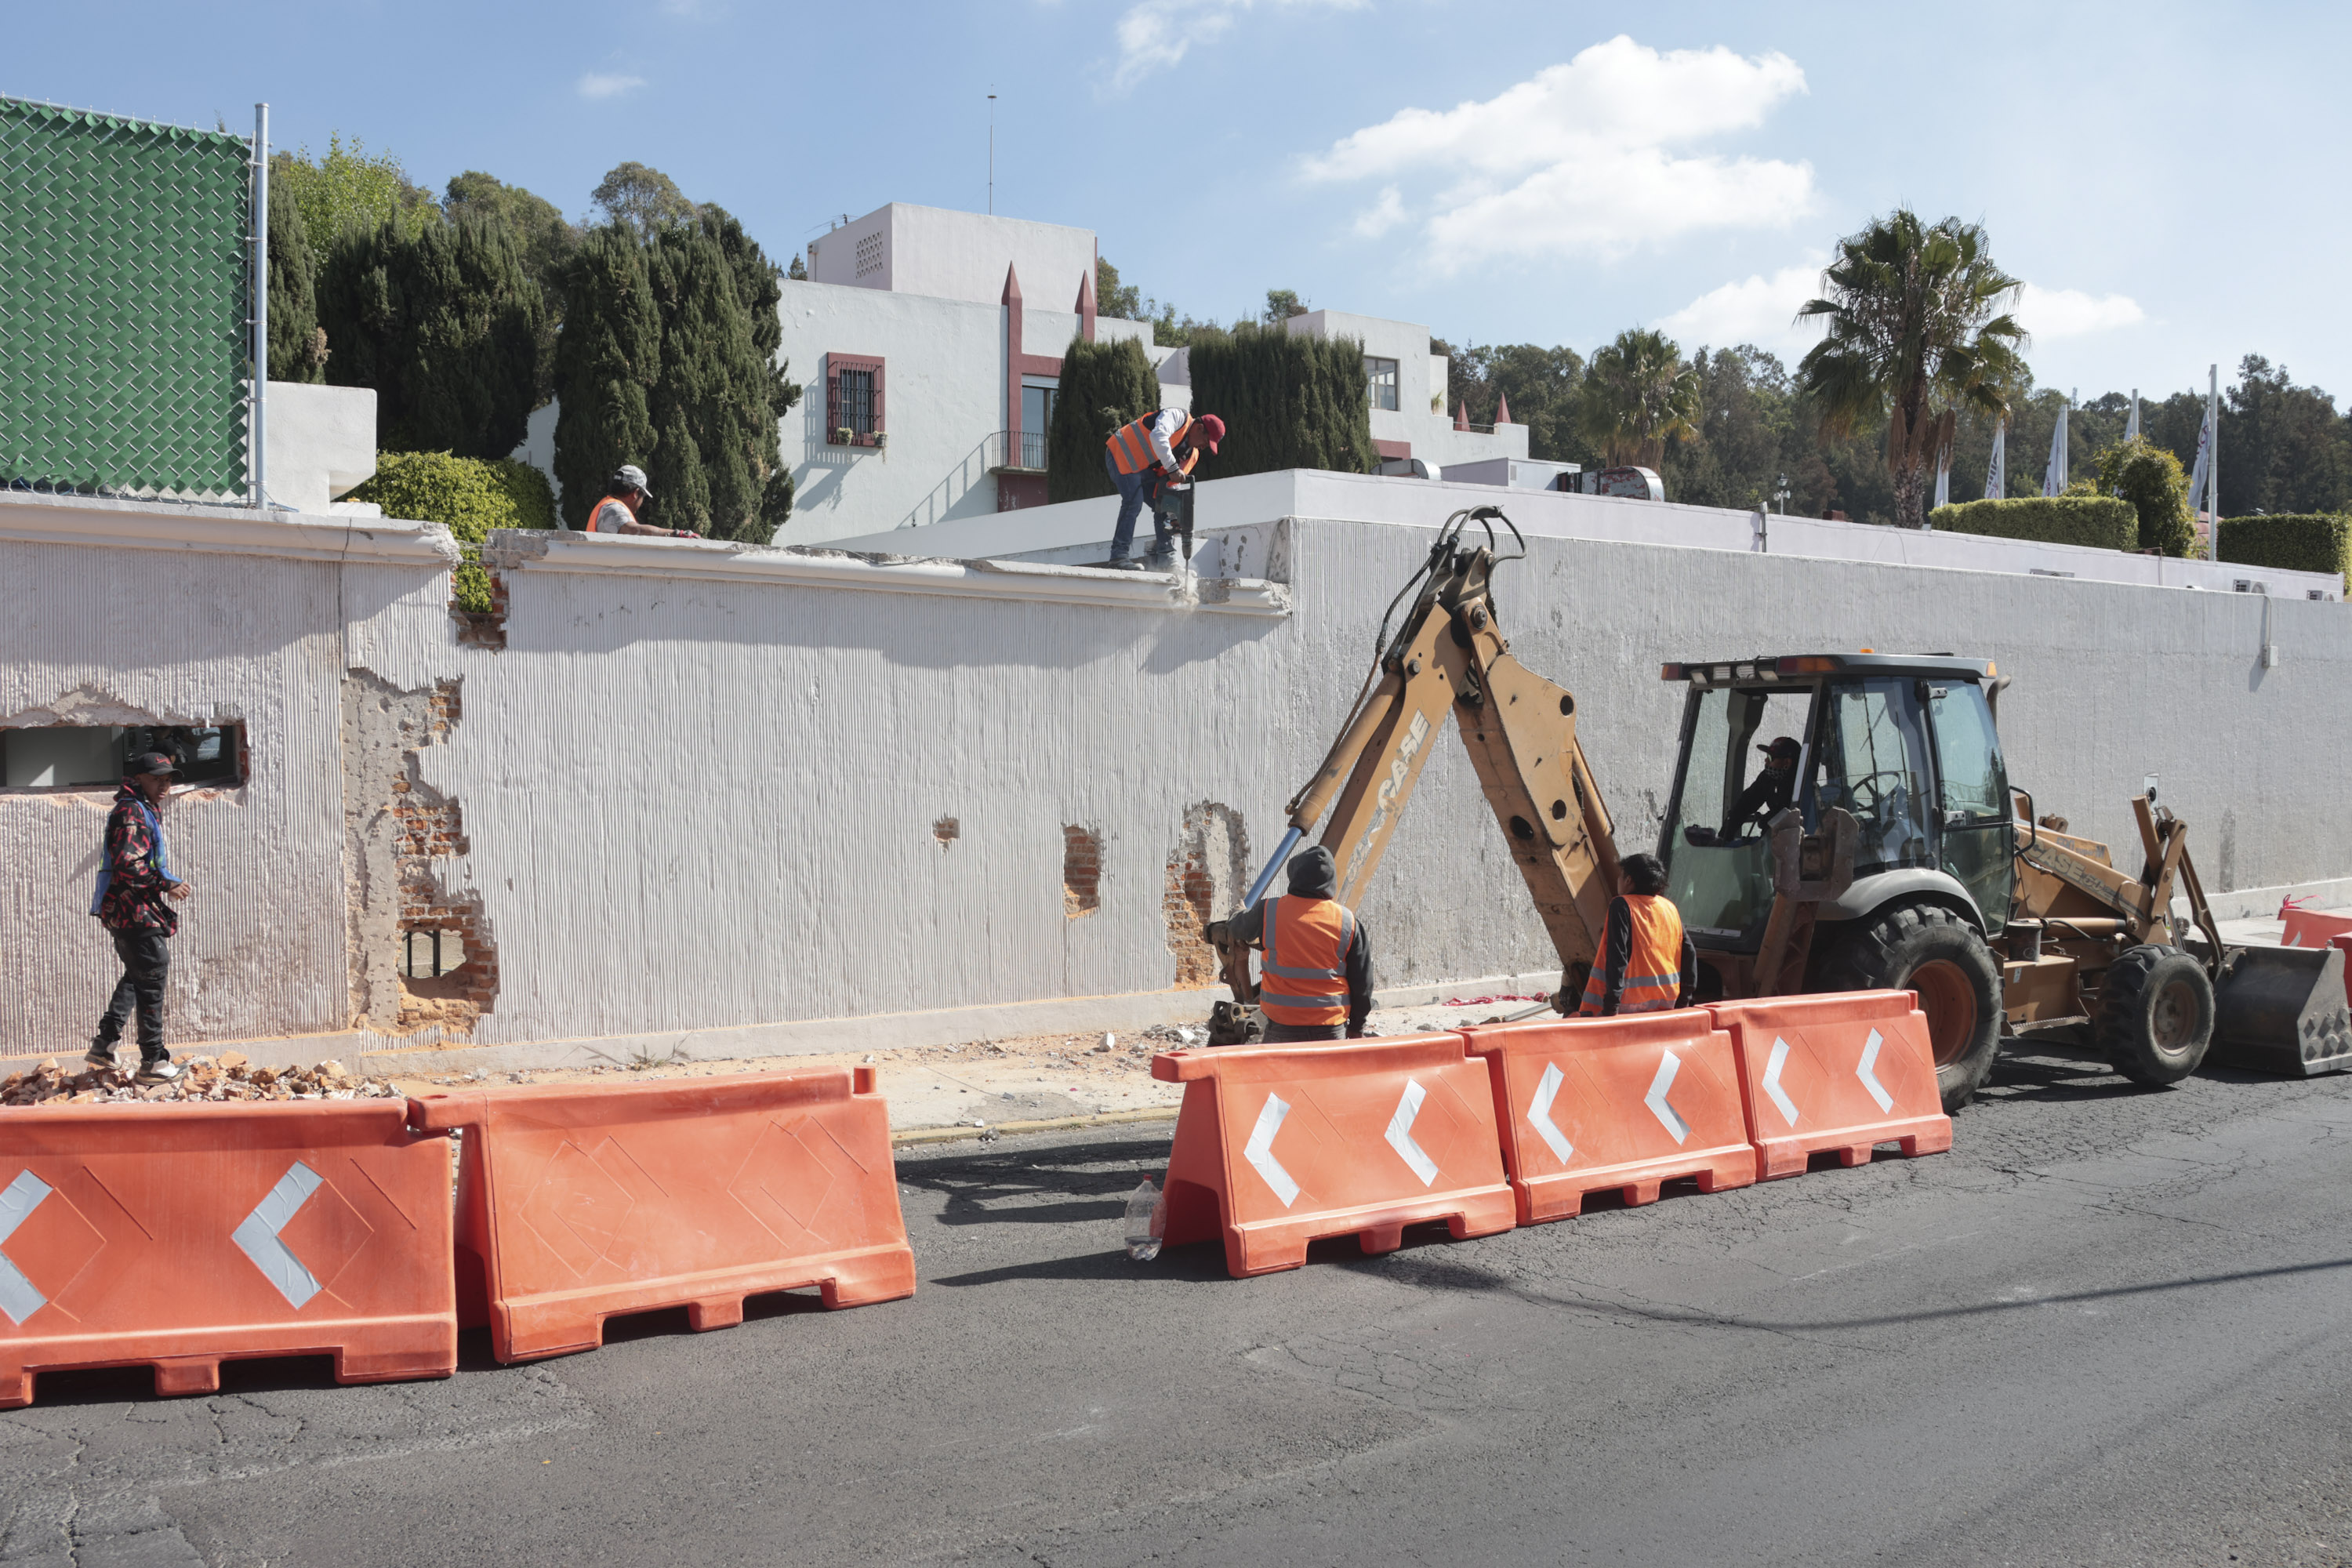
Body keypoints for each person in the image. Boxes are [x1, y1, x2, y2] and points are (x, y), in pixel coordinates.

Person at [85, 750, 191, 1083]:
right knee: (153, 976)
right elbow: (129, 866)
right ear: (139, 779)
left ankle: (106, 1044)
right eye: (157, 778)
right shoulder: (132, 812)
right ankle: (154, 1063)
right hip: (133, 910)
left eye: (169, 778)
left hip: (127, 909)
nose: (165, 785)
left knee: (139, 974)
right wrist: (167, 883)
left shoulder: (139, 808)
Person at [1222, 845, 1373, 1044]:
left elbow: (1236, 929)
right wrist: (1356, 1027)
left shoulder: (1269, 911)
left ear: (1294, 875)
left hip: (1283, 1026)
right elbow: (1362, 982)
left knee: (1283, 1075)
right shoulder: (1348, 921)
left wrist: (1237, 913)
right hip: (1330, 1026)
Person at [1577, 853, 1698, 1018]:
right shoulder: (1670, 908)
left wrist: (1611, 1007)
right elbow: (1689, 952)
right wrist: (1684, 1000)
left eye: (1621, 875)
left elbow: (1617, 957)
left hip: (1625, 1006)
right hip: (1665, 1004)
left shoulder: (1622, 905)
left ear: (1629, 880)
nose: (1618, 880)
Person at [1102, 409, 1222, 569]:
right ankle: (1118, 557)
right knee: (1133, 502)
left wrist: (1175, 515)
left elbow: (1171, 486)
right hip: (1121, 452)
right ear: (1199, 428)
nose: (1204, 447)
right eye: (1207, 441)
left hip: (1143, 468)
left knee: (1166, 504)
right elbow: (1157, 436)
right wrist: (1173, 468)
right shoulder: (1178, 417)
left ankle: (1166, 559)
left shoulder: (1192, 454)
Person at [1706, 735, 1800, 842]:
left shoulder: (1800, 786)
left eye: (1770, 758)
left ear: (1787, 763)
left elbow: (1788, 813)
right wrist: (1723, 838)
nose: (1766, 760)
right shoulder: (1769, 777)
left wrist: (1767, 820)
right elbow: (1746, 803)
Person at [586, 465, 699, 539]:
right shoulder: (613, 508)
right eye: (643, 497)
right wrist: (678, 534)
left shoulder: (606, 505)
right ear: (636, 493)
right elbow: (635, 531)